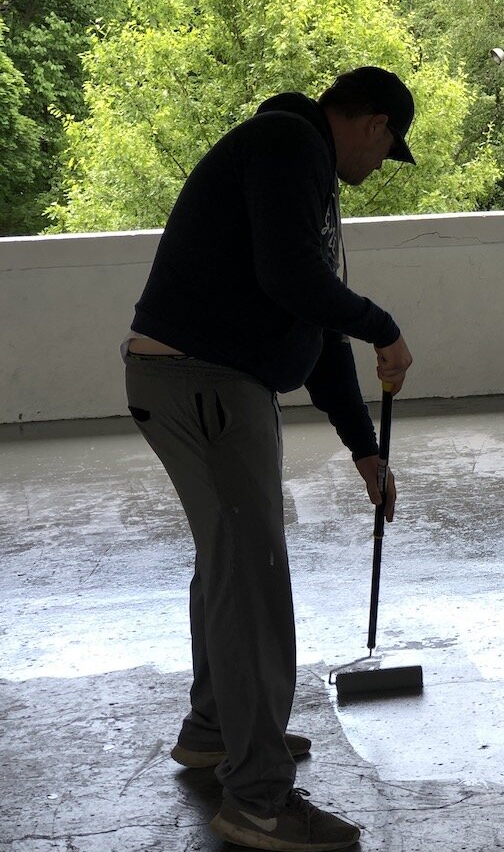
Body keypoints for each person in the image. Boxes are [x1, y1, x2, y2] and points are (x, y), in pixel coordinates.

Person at [122, 66, 417, 852]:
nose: (379, 167)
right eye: (388, 150)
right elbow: (294, 280)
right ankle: (257, 799)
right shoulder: (290, 146)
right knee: (252, 577)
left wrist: (365, 448)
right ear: (375, 125)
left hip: (197, 379)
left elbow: (310, 323)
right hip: (205, 380)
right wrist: (382, 326)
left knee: (229, 562)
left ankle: (216, 729)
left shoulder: (298, 165)